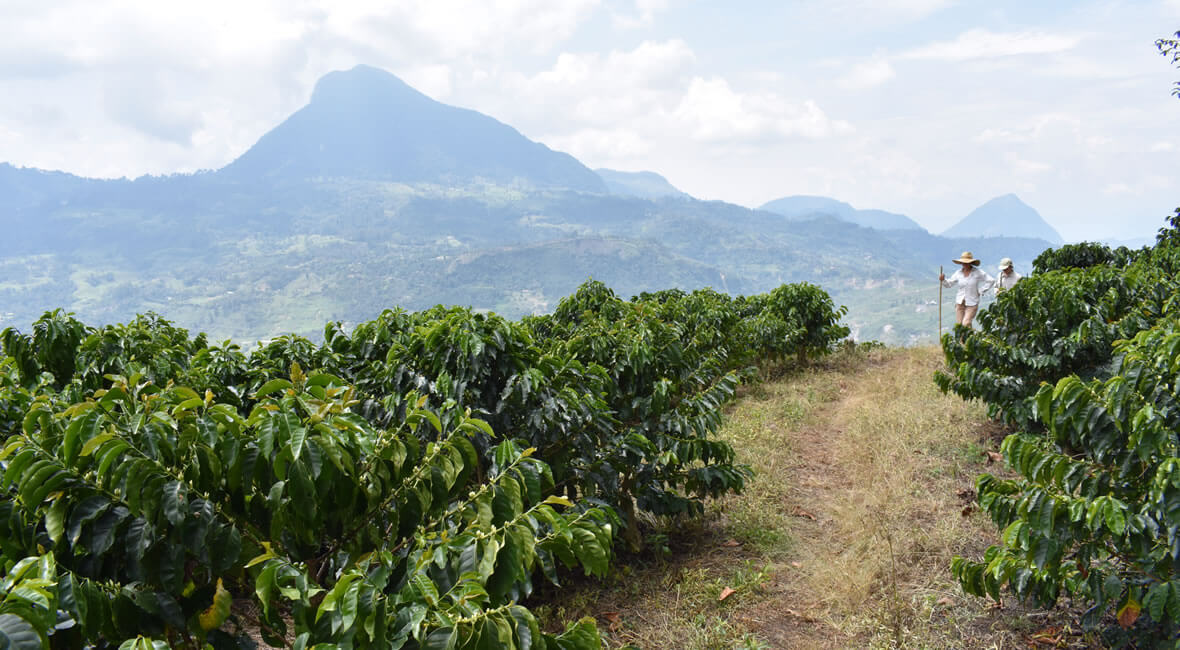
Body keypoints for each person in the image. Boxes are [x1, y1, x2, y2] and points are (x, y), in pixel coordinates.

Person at [939, 251, 995, 328]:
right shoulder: (958, 273)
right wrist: (943, 280)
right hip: (960, 302)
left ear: (970, 263)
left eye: (966, 262)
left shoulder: (977, 272)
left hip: (972, 302)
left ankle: (968, 338)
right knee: (959, 326)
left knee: (966, 323)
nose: (964, 264)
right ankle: (963, 340)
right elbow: (949, 284)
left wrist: (981, 290)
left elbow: (991, 280)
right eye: (963, 262)